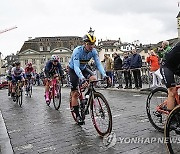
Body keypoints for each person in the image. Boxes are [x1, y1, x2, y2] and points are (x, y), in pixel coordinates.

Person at [68, 33, 111, 125]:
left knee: (93, 79)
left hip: (83, 68)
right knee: (75, 94)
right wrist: (82, 78)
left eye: (93, 44)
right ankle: (78, 116)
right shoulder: (77, 51)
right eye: (89, 44)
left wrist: (104, 75)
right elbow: (76, 67)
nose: (91, 46)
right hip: (73, 70)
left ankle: (86, 97)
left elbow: (98, 64)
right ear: (85, 44)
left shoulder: (94, 51)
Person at [157, 40, 175, 112]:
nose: (162, 45)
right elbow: (162, 56)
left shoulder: (168, 48)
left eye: (162, 44)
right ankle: (171, 119)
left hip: (175, 66)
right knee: (172, 91)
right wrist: (159, 51)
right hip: (167, 66)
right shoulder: (168, 49)